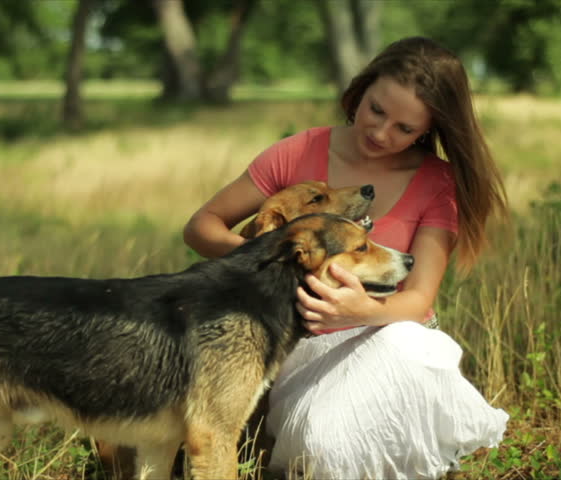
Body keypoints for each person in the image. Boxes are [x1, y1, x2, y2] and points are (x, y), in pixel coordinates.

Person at [183, 37, 509, 478]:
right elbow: (202, 226)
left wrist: (361, 310)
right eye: (376, 110)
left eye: (404, 129)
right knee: (321, 441)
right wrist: (272, 256)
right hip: (300, 345)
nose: (380, 133)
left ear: (429, 130)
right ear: (361, 89)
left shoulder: (438, 182)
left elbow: (417, 300)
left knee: (403, 351)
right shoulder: (298, 151)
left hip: (390, 337)